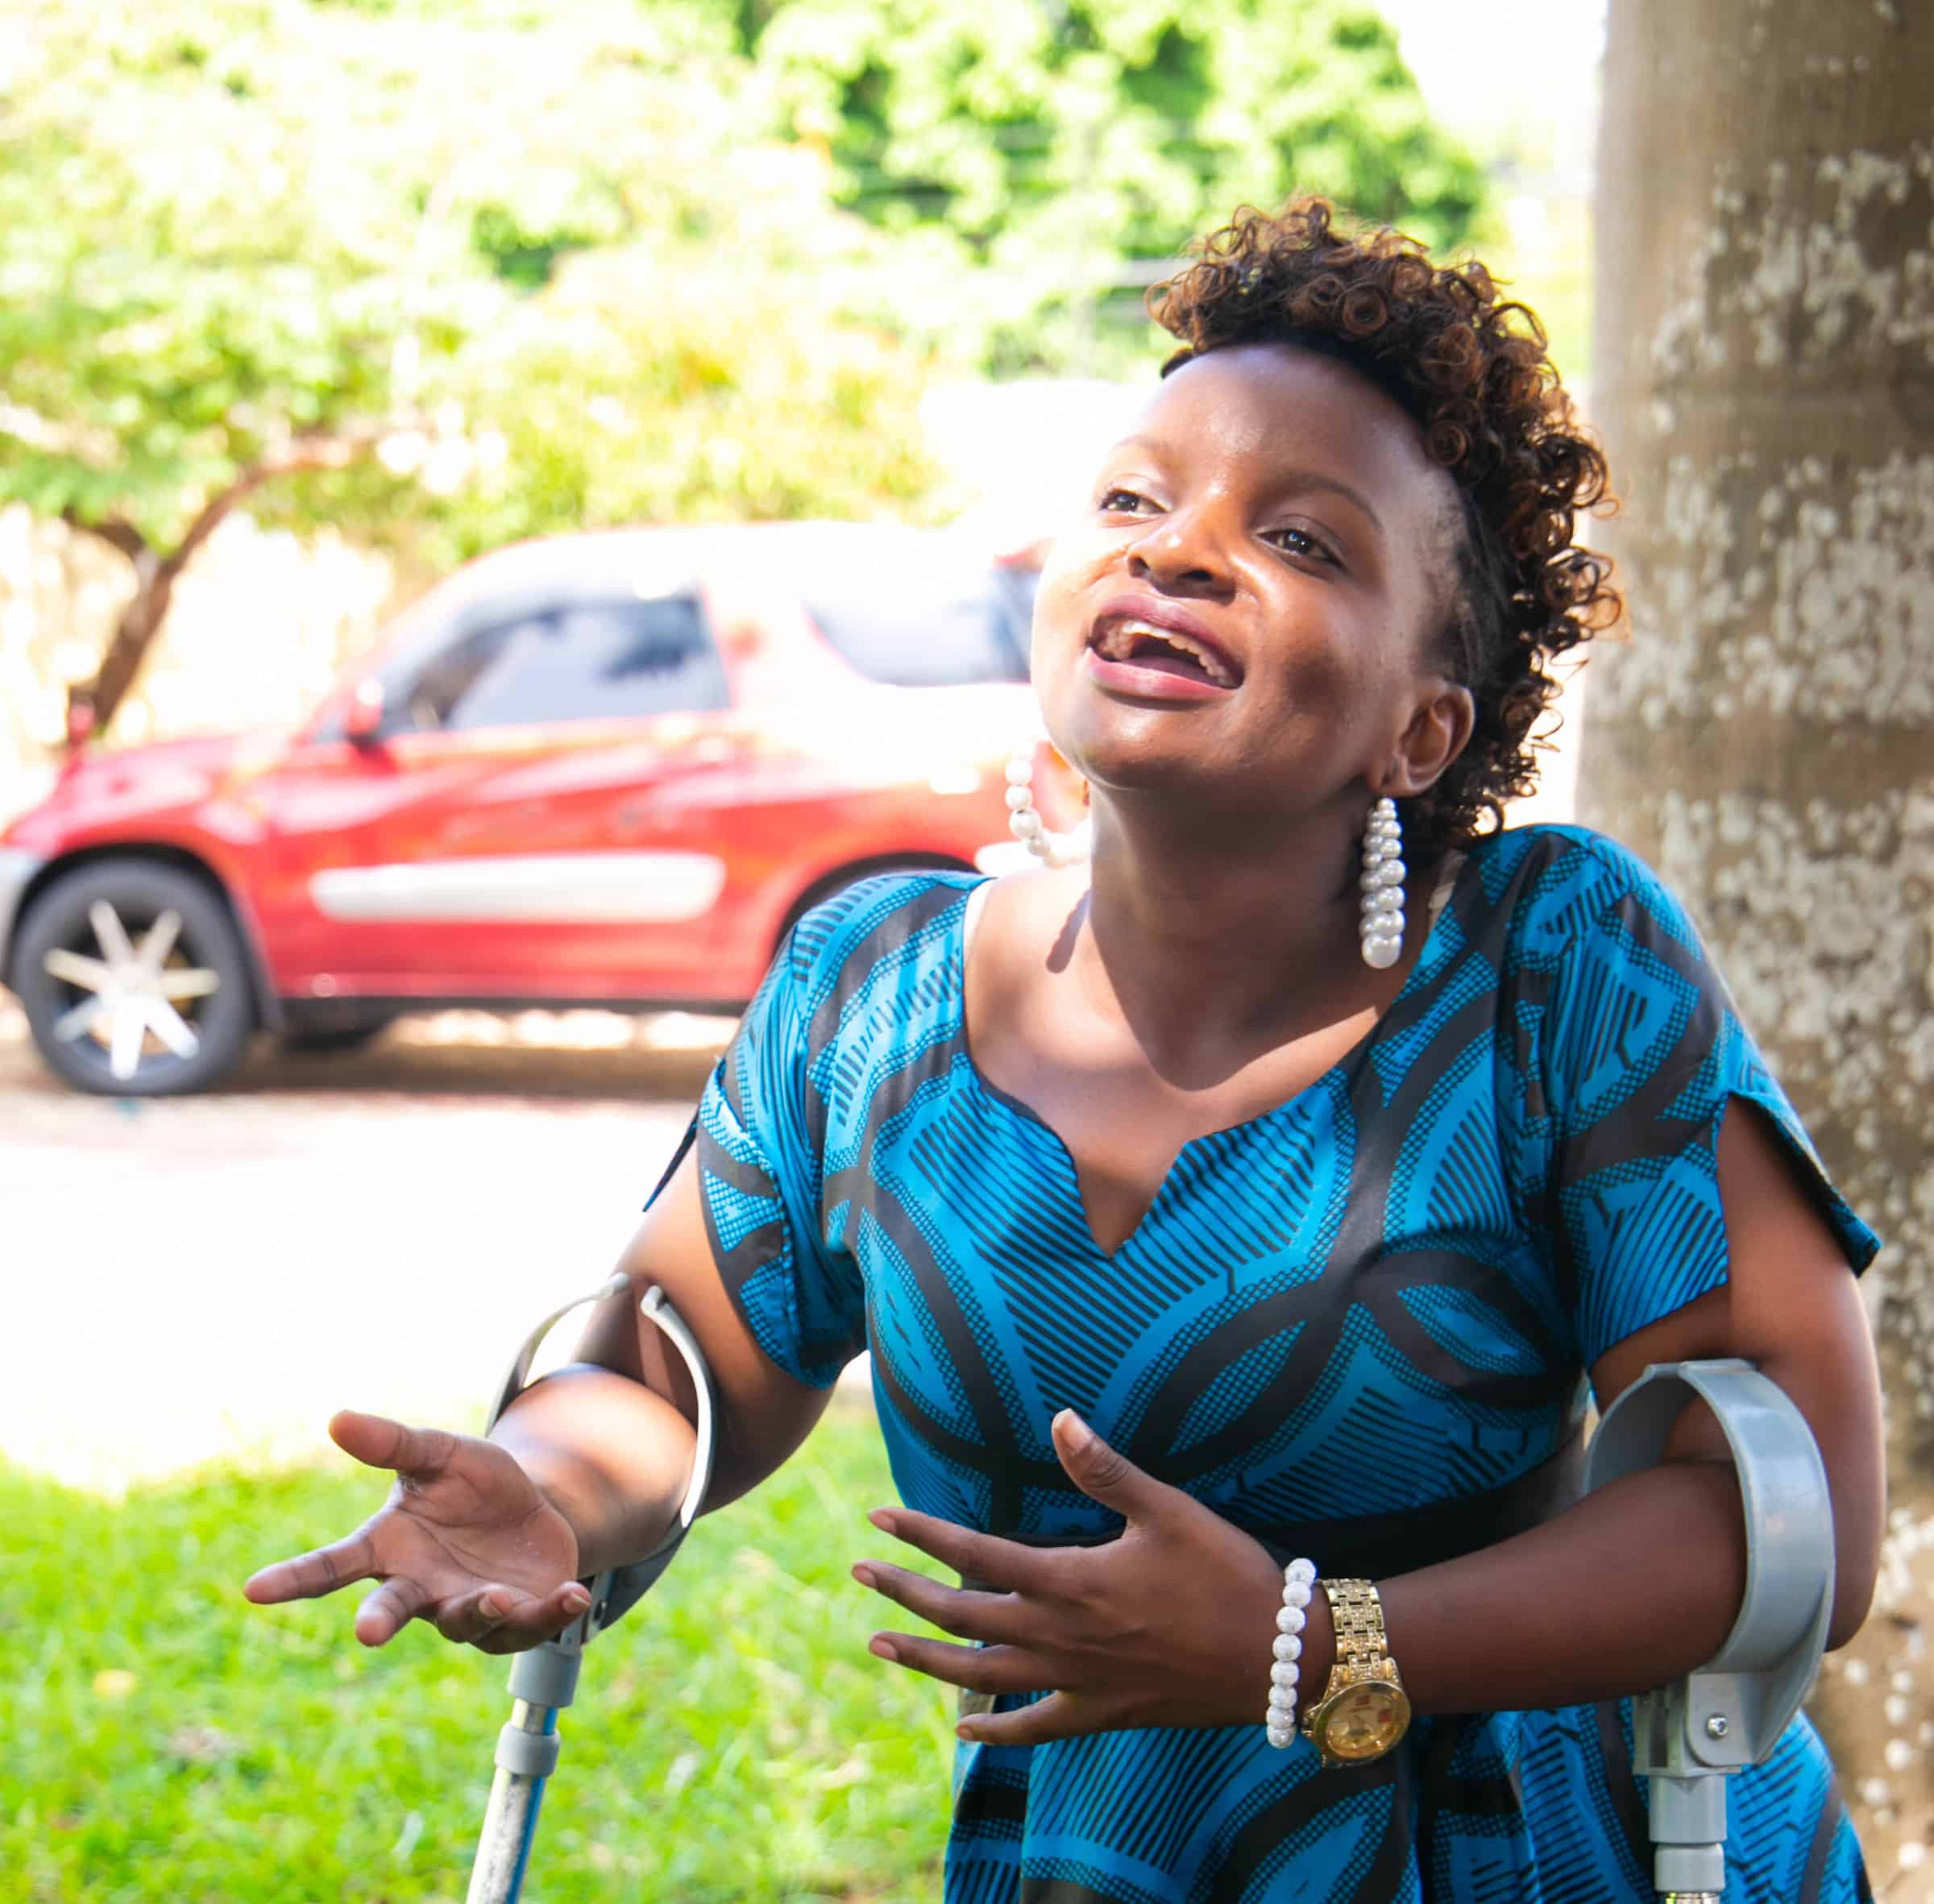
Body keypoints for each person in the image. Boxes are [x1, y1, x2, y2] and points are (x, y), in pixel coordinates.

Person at [247, 197, 1884, 1902]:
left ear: (1423, 726)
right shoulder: (866, 988)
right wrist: (550, 1485)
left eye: (1306, 543)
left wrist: (1316, 1650)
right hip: (1100, 1858)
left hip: (1517, 1854)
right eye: (1133, 499)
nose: (1176, 552)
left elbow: (1786, 1506)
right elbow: (679, 1365)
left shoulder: (1556, 970)